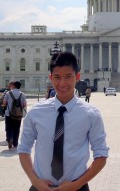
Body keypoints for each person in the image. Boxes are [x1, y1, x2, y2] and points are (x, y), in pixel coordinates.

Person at [18, 51, 109, 191]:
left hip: (77, 187)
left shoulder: (91, 114)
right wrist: (35, 181)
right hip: (40, 188)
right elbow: (24, 149)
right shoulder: (36, 112)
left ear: (77, 77)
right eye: (57, 77)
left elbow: (101, 155)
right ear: (50, 78)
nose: (62, 83)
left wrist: (76, 184)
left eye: (68, 77)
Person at [3, 81, 27, 149]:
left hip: (9, 114)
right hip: (18, 114)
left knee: (8, 128)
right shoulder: (22, 94)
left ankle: (9, 138)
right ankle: (15, 143)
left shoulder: (8, 93)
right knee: (17, 129)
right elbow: (24, 105)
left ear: (13, 85)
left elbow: (4, 103)